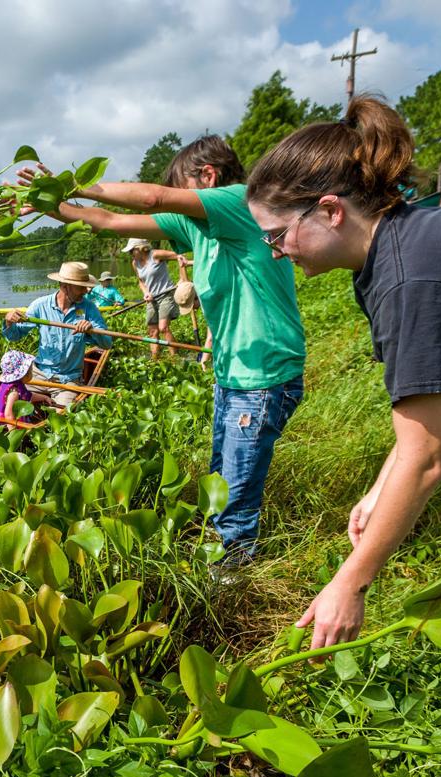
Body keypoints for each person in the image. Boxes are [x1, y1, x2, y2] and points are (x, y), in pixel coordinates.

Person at [246, 95, 441, 735]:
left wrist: (349, 585)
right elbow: (428, 408)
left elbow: (426, 461)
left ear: (329, 209)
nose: (278, 253)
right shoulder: (411, 237)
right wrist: (380, 482)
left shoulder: (409, 276)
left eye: (278, 236)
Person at [17, 137, 305, 565]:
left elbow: (151, 196)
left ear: (207, 177)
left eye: (184, 192)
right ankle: (223, 558)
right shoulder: (196, 227)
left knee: (237, 495)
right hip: (233, 375)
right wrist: (52, 207)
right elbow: (111, 222)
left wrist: (70, 185)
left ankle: (233, 577)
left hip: (264, 375)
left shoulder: (239, 202)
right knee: (222, 481)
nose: (177, 205)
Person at [2, 261, 114, 407]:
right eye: (81, 287)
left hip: (68, 379)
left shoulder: (89, 308)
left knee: (61, 417)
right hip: (38, 375)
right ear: (65, 286)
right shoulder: (40, 305)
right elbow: (14, 335)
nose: (86, 291)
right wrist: (9, 322)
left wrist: (92, 330)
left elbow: (107, 343)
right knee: (10, 401)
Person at [123, 238, 181, 358]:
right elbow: (141, 281)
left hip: (166, 294)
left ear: (140, 248)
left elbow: (180, 257)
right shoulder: (135, 263)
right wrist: (146, 293)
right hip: (151, 299)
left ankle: (175, 359)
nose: (130, 254)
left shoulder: (155, 255)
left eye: (131, 251)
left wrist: (182, 279)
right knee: (152, 332)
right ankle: (155, 360)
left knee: (163, 328)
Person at [0, 350, 54, 426]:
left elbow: (28, 396)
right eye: (30, 370)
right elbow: (8, 416)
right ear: (24, 374)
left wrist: (44, 398)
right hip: (4, 424)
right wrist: (14, 435)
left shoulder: (12, 384)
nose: (32, 372)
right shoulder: (14, 393)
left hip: (6, 418)